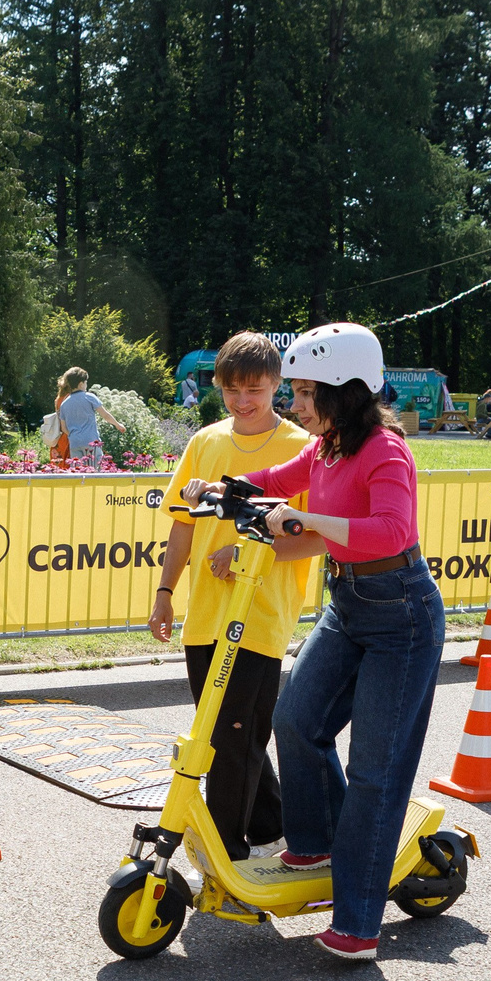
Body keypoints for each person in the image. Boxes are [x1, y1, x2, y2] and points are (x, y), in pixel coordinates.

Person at [180, 321, 441, 965]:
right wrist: (221, 489)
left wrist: (305, 519)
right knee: (295, 721)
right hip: (349, 604)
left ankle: (358, 923)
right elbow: (277, 474)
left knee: (375, 772)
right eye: (293, 390)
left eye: (303, 391)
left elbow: (390, 530)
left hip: (401, 615)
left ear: (342, 389)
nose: (294, 403)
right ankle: (320, 841)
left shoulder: (384, 451)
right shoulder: (326, 448)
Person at [151, 332, 314, 863]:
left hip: (260, 615)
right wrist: (164, 592)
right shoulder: (205, 442)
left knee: (232, 737)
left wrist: (247, 552)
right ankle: (276, 829)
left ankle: (226, 855)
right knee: (226, 732)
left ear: (277, 385)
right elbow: (182, 525)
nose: (243, 401)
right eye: (232, 389)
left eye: (255, 390)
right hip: (205, 615)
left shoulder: (301, 447)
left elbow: (313, 532)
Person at [54, 367, 105, 464]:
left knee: (78, 469)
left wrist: (73, 435)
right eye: (86, 382)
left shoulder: (64, 404)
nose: (86, 385)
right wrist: (118, 425)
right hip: (91, 441)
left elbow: (63, 428)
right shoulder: (89, 397)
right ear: (81, 384)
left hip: (74, 443)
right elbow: (105, 414)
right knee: (96, 468)